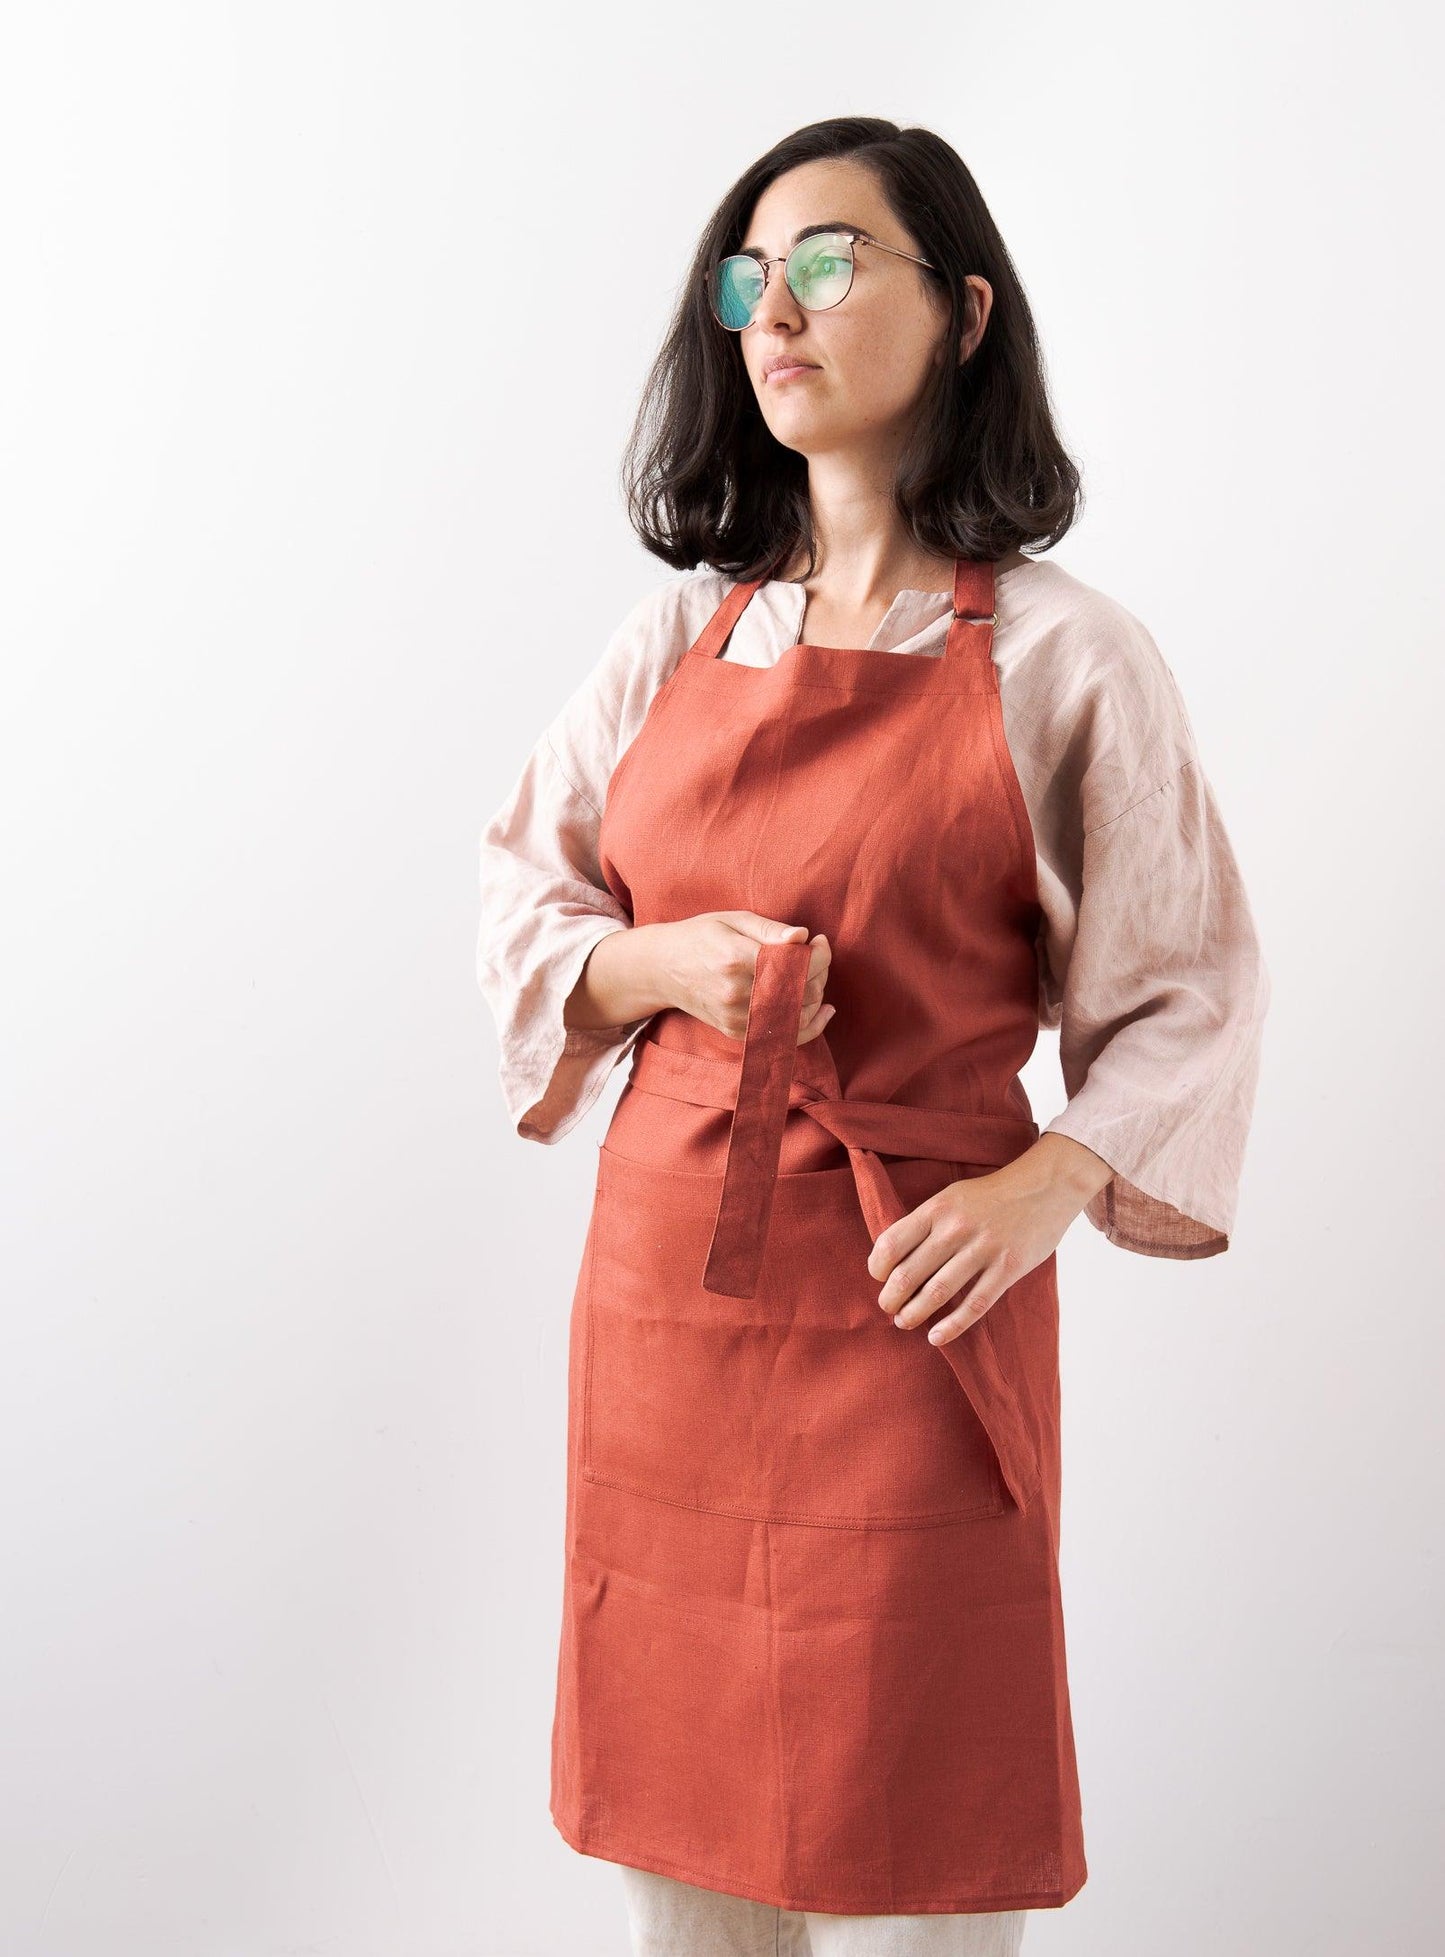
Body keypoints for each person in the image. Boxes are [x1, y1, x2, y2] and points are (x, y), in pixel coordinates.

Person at [475, 115, 1270, 1957]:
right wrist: (668, 966)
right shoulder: (681, 632)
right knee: (683, 1842)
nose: (776, 310)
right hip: (674, 1290)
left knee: (925, 1835)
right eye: (751, 277)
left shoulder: (1068, 654)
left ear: (965, 311)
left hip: (921, 1295)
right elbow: (524, 898)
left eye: (830, 262)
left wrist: (1044, 1187)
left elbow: (1191, 985)